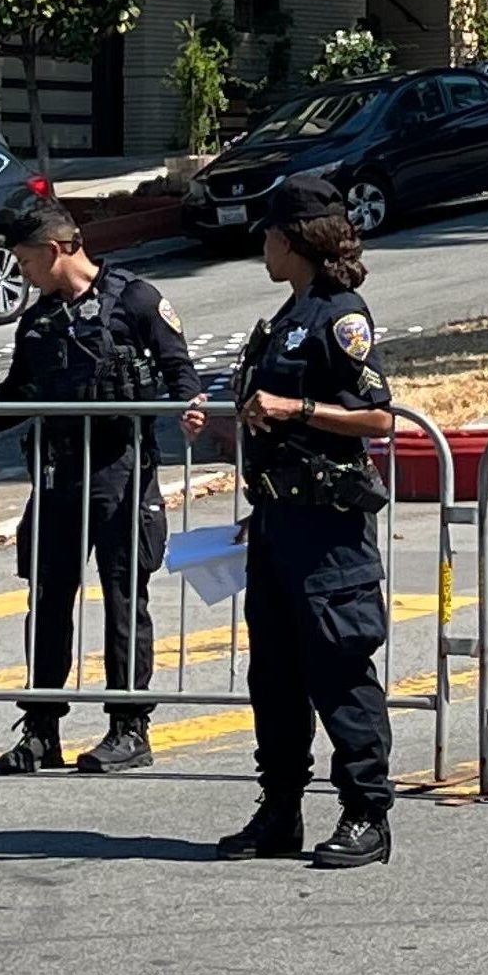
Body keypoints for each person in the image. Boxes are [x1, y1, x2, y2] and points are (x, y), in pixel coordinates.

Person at [0, 200, 199, 776]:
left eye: (24, 262)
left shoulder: (136, 300)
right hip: (56, 476)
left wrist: (191, 415)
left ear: (53, 251)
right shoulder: (40, 320)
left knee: (125, 600)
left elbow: (183, 378)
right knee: (48, 602)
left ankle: (129, 728)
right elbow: (17, 397)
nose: (20, 274)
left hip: (121, 471)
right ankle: (42, 728)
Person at [183, 172, 397, 870]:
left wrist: (296, 410)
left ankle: (366, 812)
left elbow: (379, 417)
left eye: (270, 236)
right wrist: (229, 430)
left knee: (339, 672)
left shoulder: (341, 316)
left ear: (294, 239)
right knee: (273, 677)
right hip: (278, 520)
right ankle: (280, 811)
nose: (263, 249)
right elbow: (269, 418)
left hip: (329, 534)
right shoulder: (285, 318)